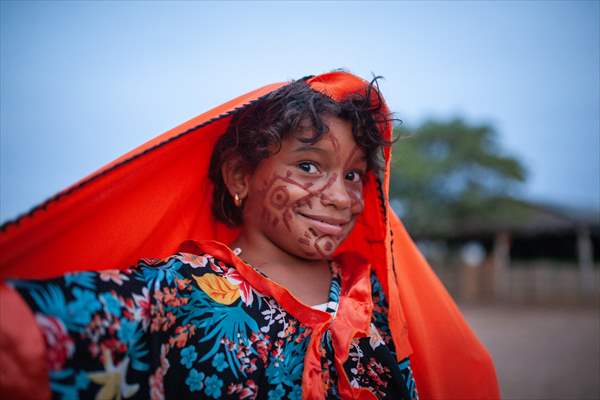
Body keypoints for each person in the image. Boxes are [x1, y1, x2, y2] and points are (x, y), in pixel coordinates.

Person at [0, 71, 499, 400]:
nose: (342, 198)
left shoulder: (375, 300)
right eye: (308, 165)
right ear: (240, 176)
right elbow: (25, 337)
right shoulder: (178, 291)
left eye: (352, 175)